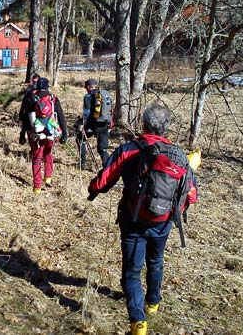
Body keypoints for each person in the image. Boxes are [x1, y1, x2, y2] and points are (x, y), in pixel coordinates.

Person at [87, 102, 198, 335]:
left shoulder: (129, 149)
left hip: (134, 220)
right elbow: (192, 195)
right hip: (163, 221)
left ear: (144, 123)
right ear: (166, 127)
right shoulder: (179, 157)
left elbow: (102, 181)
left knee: (131, 272)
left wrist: (93, 190)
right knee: (156, 260)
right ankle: (153, 302)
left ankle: (138, 322)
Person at [23, 77, 68, 193]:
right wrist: (64, 133)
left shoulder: (30, 97)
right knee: (48, 153)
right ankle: (48, 179)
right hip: (50, 132)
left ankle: (37, 187)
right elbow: (61, 116)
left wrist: (22, 133)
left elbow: (25, 118)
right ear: (47, 87)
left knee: (37, 158)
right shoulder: (53, 98)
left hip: (35, 132)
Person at [76, 78, 112, 168]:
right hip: (104, 124)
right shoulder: (103, 95)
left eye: (86, 87)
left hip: (92, 125)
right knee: (102, 149)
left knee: (80, 139)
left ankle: (82, 163)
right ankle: (107, 168)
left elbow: (87, 112)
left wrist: (82, 123)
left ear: (88, 87)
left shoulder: (88, 96)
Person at [18, 73, 40, 145]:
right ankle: (23, 136)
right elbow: (24, 102)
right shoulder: (29, 89)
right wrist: (21, 114)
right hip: (29, 112)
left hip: (40, 113)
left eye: (36, 82)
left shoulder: (42, 90)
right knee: (29, 128)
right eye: (34, 82)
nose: (35, 84)